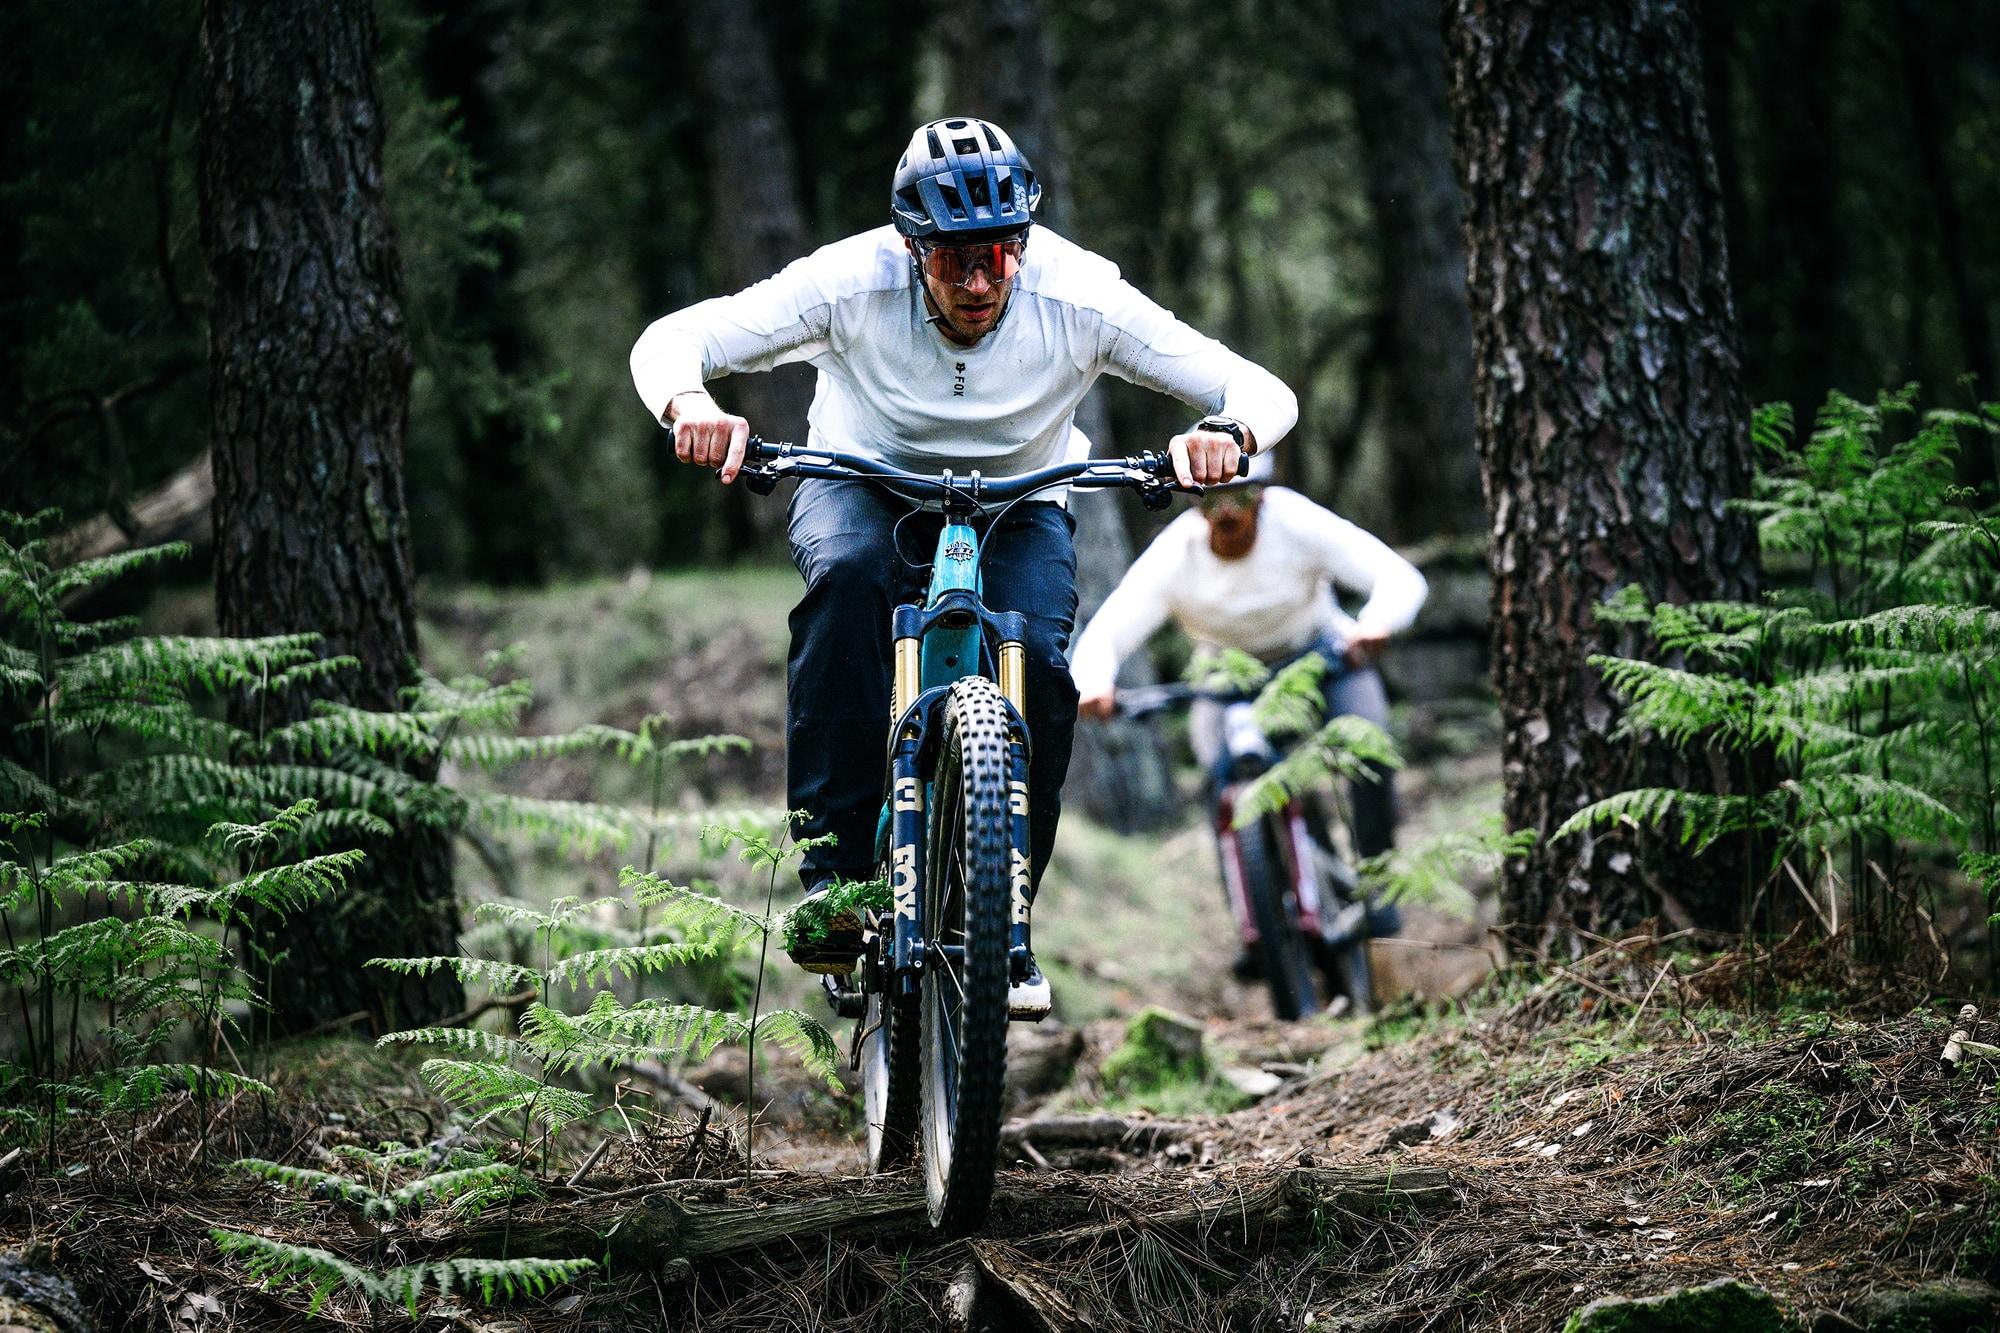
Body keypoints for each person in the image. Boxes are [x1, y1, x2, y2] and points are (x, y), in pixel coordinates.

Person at [629, 118, 1298, 953]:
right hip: (862, 480)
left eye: (1001, 253)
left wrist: (1227, 433)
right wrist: (688, 404)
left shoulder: (1079, 293)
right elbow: (677, 337)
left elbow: (1260, 387)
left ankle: (1002, 913)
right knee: (848, 581)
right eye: (953, 258)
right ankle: (834, 882)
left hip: (1024, 497)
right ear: (912, 249)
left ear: (1025, 241)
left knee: (1044, 668)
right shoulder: (848, 281)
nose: (980, 282)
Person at [1071, 452, 1427, 872]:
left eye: (1239, 498)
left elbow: (1397, 576)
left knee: (1369, 748)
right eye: (1209, 499)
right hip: (1226, 680)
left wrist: (1376, 623)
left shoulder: (1295, 521)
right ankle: (1255, 917)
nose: (1225, 513)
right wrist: (1092, 681)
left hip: (1321, 655)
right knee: (1220, 780)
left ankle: (1378, 879)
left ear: (1261, 497)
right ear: (1193, 505)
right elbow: (1109, 632)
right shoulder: (1174, 553)